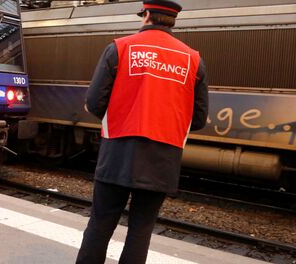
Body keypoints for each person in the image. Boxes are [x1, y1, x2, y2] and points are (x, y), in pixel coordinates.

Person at [76, 0, 209, 263]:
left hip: (118, 149)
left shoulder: (119, 48)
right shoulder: (194, 60)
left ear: (146, 15)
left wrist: (122, 115)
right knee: (141, 229)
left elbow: (93, 102)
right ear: (173, 20)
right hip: (163, 156)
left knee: (101, 222)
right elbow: (199, 118)